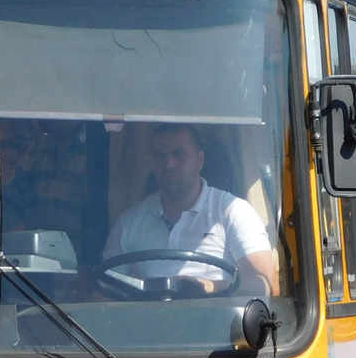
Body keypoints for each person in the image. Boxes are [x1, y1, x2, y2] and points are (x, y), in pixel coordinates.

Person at [104, 124, 278, 296]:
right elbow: (105, 292)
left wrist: (210, 287)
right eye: (160, 156)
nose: (169, 164)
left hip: (220, 322)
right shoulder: (129, 223)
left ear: (200, 160)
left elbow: (265, 284)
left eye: (179, 154)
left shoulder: (232, 211)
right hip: (143, 322)